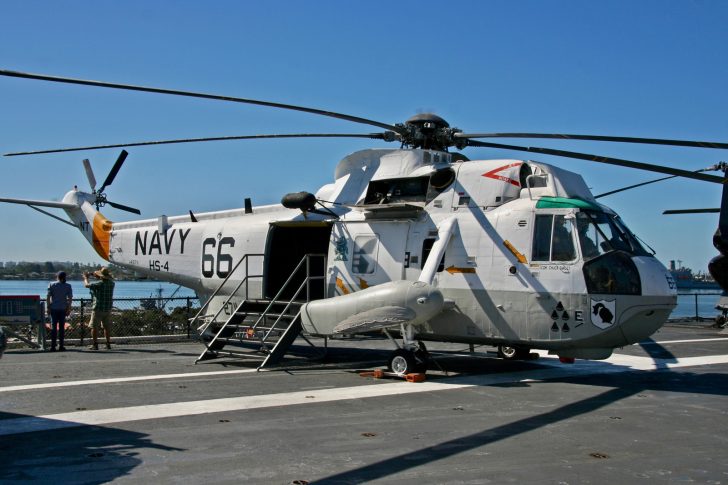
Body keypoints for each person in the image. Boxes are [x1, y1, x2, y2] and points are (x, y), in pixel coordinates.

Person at [83, 266, 115, 350]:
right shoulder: (112, 283)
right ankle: (108, 344)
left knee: (94, 327)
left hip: (98, 308)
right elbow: (104, 279)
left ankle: (95, 344)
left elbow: (87, 285)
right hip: (107, 308)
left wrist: (86, 278)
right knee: (106, 327)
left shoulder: (99, 284)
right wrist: (97, 275)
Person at [47, 271, 73, 351]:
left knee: (53, 328)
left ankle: (53, 346)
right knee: (61, 328)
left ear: (57, 276)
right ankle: (61, 346)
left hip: (54, 308)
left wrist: (48, 307)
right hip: (63, 309)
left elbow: (48, 296)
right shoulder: (68, 286)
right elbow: (70, 298)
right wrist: (68, 308)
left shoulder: (51, 284)